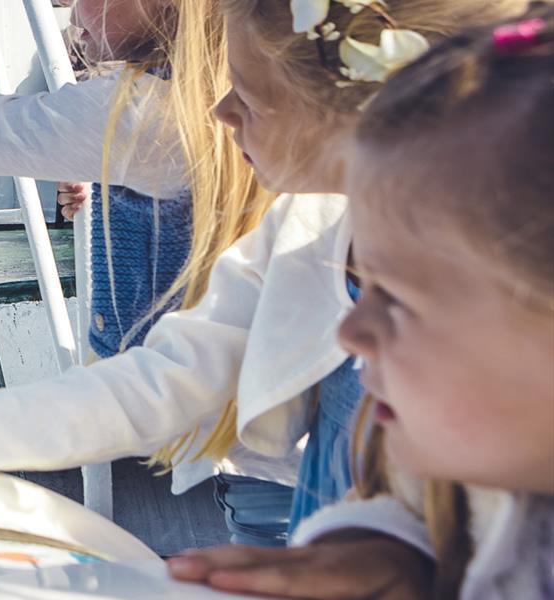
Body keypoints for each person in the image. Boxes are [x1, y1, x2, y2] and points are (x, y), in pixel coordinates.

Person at [0, 0, 527, 545]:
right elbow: (175, 371)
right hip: (314, 525)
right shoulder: (300, 233)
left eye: (251, 98)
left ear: (343, 107)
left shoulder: (160, 117)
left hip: (275, 508)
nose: (222, 114)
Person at [170, 8, 554, 598]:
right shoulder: (479, 458)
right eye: (364, 284)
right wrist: (385, 547)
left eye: (397, 299)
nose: (351, 331)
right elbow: (422, 506)